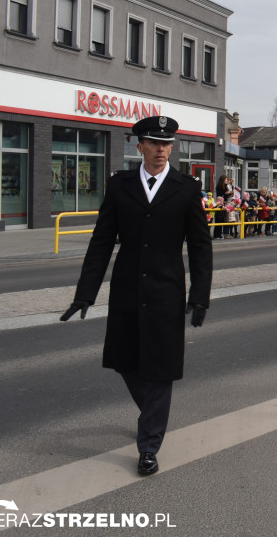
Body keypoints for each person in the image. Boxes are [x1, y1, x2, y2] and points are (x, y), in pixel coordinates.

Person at [61, 116, 212, 477]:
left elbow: (200, 247)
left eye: (167, 144)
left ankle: (148, 447)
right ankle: (153, 416)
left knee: (159, 370)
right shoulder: (120, 186)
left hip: (166, 293)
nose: (161, 150)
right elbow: (101, 242)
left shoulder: (186, 188)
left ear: (171, 148)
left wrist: (200, 296)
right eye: (153, 143)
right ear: (139, 146)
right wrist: (85, 294)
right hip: (127, 291)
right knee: (125, 362)